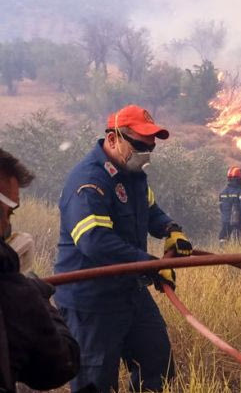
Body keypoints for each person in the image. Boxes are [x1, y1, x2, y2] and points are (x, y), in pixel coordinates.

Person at [53, 105, 193, 393]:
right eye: (140, 145)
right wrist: (151, 265)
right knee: (95, 384)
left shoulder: (133, 174)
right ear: (113, 138)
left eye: (150, 147)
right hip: (91, 301)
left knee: (156, 363)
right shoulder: (89, 180)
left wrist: (171, 229)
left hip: (129, 291)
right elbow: (94, 241)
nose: (146, 152)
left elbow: (151, 209)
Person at [0, 148, 80, 392]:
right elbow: (60, 365)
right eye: (9, 211)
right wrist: (38, 299)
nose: (8, 225)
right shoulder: (13, 293)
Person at [218, 166, 241, 243]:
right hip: (237, 221)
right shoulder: (240, 191)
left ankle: (222, 253)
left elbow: (221, 207)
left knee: (223, 238)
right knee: (238, 240)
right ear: (239, 178)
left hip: (225, 220)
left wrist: (225, 216)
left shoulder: (223, 192)